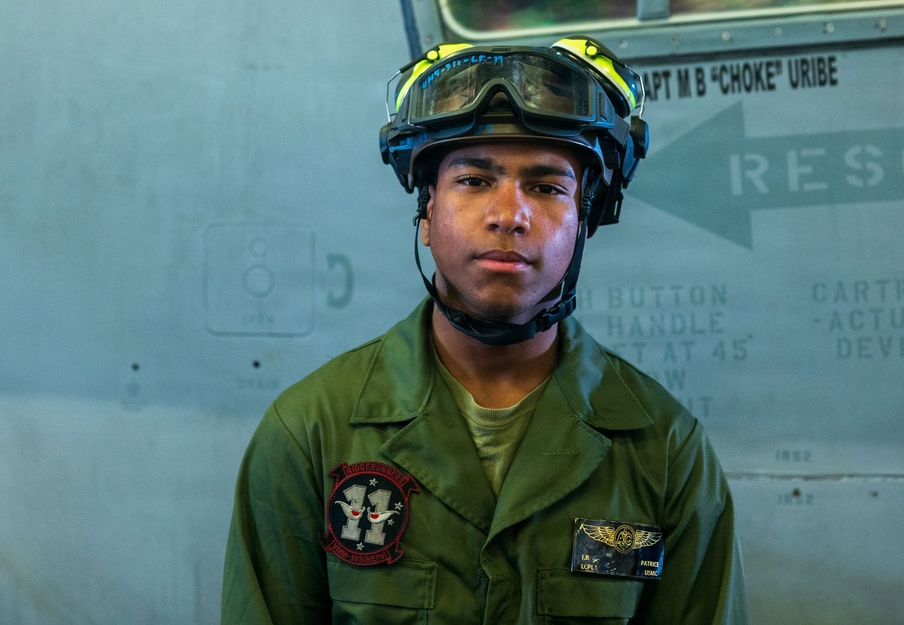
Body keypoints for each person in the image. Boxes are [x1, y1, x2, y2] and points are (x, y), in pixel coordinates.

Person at [222, 36, 750, 623]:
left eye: (547, 187)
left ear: (586, 219)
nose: (509, 214)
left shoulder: (666, 451)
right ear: (426, 213)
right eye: (473, 180)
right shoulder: (309, 433)